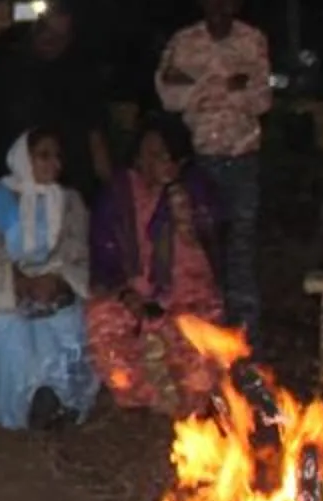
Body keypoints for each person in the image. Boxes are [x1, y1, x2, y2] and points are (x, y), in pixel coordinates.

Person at [87, 116, 227, 415]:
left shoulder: (193, 188)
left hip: (189, 295)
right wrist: (128, 295)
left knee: (195, 349)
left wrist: (176, 191)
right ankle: (138, 400)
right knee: (103, 318)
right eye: (150, 153)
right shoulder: (118, 194)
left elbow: (209, 228)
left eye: (164, 154)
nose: (156, 161)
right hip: (134, 292)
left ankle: (190, 406)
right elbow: (103, 258)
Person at [0, 130, 93, 430]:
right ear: (24, 158)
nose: (54, 163)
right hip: (9, 282)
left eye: (57, 156)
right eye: (44, 155)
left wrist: (54, 279)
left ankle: (59, 398)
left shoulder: (69, 200)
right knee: (10, 323)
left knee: (64, 319)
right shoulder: (2, 195)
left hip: (55, 283)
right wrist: (18, 279)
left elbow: (76, 250)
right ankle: (30, 400)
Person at [155, 0, 271, 327]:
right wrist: (223, 84)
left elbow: (263, 98)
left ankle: (245, 324)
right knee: (200, 240)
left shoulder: (252, 41)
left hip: (243, 154)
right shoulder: (184, 42)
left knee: (241, 240)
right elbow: (168, 96)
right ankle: (206, 314)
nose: (219, 6)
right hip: (200, 157)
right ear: (201, 0)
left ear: (236, 2)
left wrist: (202, 83)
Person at [0, 0, 114, 187]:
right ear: (34, 28)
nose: (51, 40)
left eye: (60, 36)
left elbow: (96, 141)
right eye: (46, 30)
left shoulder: (81, 76)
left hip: (68, 190)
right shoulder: (11, 65)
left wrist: (114, 192)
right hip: (12, 187)